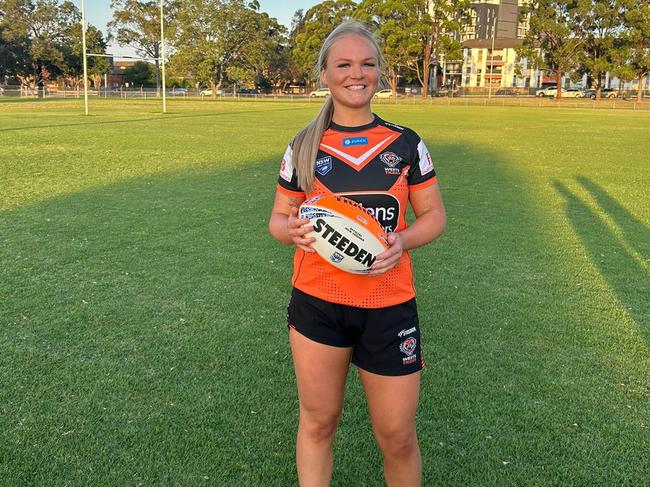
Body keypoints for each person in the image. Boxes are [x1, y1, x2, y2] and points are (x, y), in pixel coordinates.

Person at [268, 20, 446, 487]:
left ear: (381, 73)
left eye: (367, 64)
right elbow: (277, 221)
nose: (356, 73)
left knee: (398, 436)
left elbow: (434, 217)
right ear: (324, 74)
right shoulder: (303, 146)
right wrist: (294, 231)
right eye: (343, 64)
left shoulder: (405, 143)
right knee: (318, 423)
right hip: (318, 305)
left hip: (389, 306)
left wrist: (402, 240)